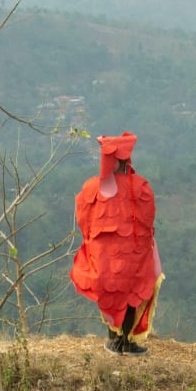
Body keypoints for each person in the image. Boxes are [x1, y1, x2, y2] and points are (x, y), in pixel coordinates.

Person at [71, 132, 160, 355]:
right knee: (131, 293)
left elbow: (84, 221)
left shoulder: (91, 188)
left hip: (101, 254)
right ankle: (126, 342)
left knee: (109, 292)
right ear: (124, 160)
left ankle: (114, 340)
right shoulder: (140, 186)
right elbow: (148, 220)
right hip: (133, 254)